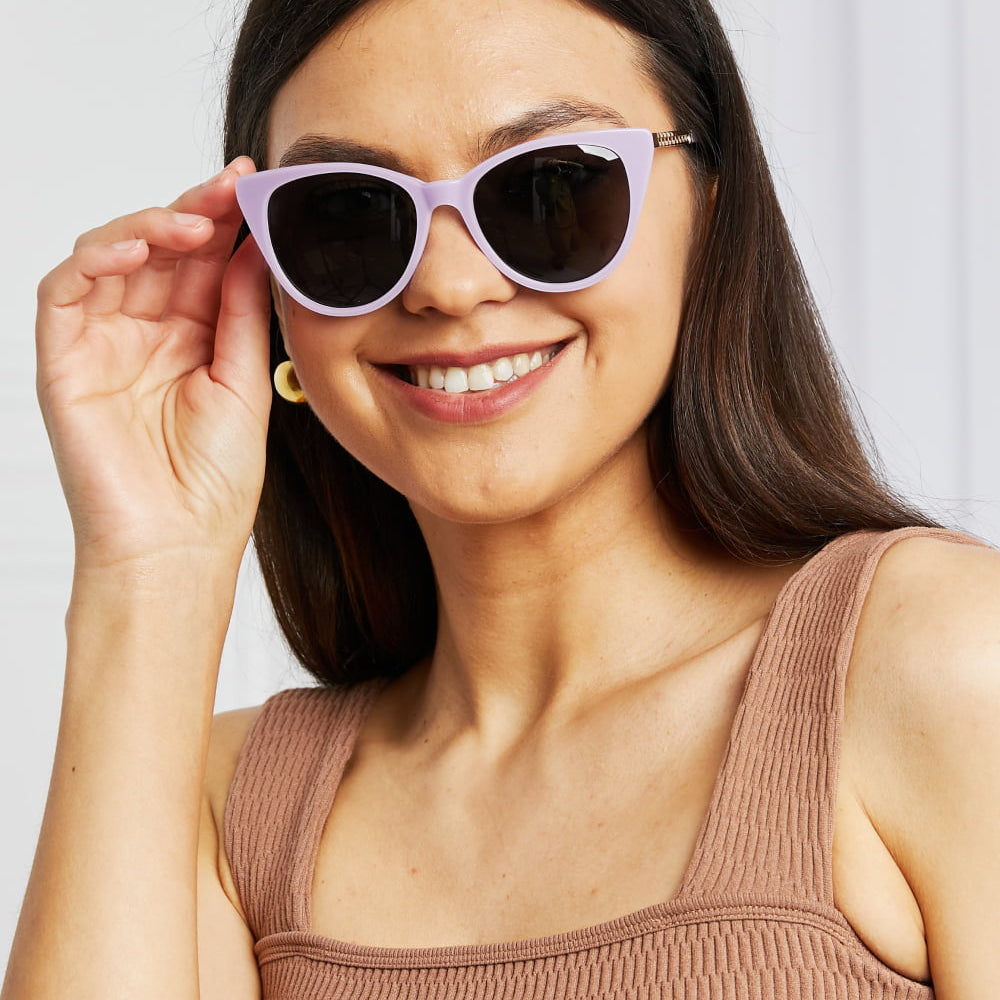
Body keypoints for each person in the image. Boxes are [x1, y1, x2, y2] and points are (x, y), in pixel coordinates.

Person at [3, 0, 998, 996]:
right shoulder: (226, 810)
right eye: (350, 211)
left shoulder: (937, 660)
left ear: (709, 209)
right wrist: (149, 565)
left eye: (548, 188)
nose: (446, 283)